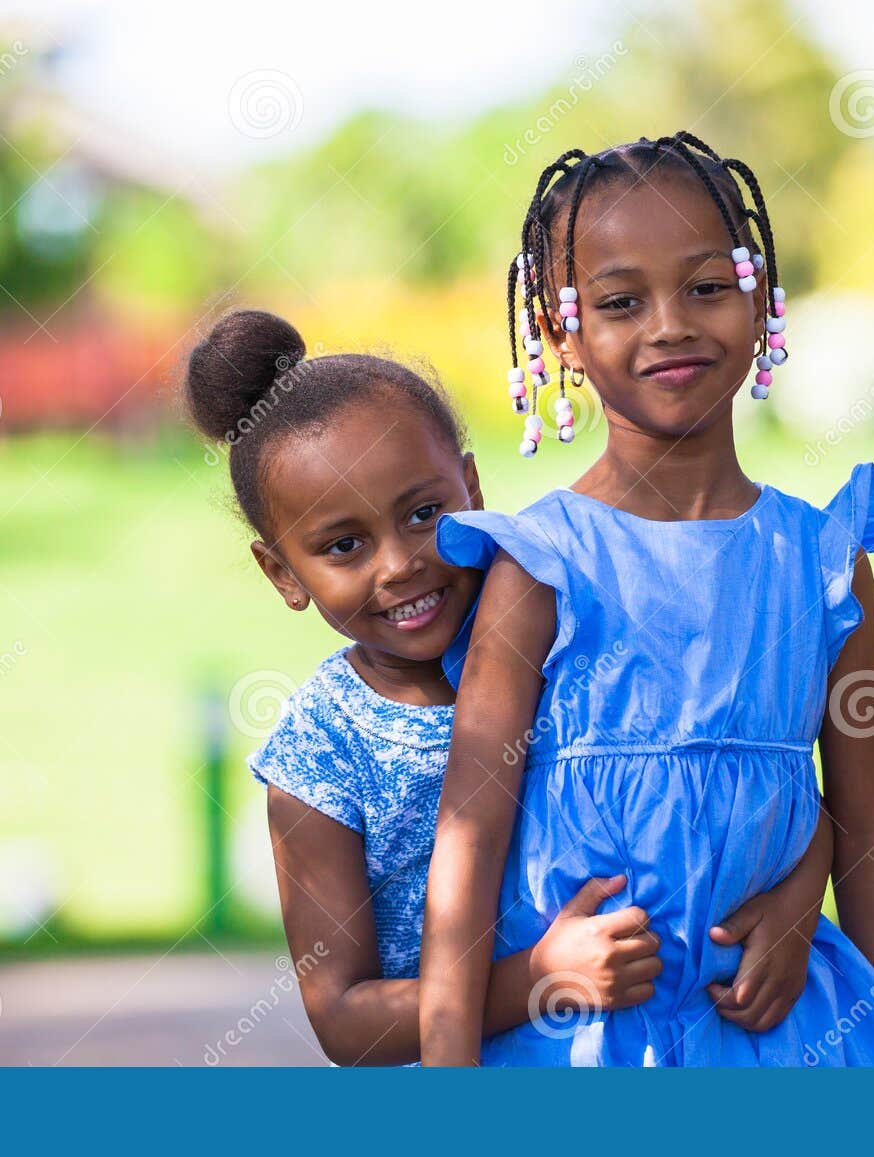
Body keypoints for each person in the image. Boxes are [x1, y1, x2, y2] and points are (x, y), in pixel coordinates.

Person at [183, 307, 837, 1066]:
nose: (399, 564)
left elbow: (741, 779)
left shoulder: (566, 627)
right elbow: (342, 1018)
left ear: (472, 482)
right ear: (283, 572)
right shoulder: (321, 755)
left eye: (426, 513)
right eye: (344, 545)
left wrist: (795, 903)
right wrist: (540, 978)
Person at [418, 132, 874, 1067]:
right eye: (619, 301)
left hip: (789, 1041)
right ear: (561, 333)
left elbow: (868, 823)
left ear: (759, 295)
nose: (670, 325)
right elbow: (467, 842)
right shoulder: (541, 568)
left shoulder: (825, 564)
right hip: (580, 1048)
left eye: (705, 287)